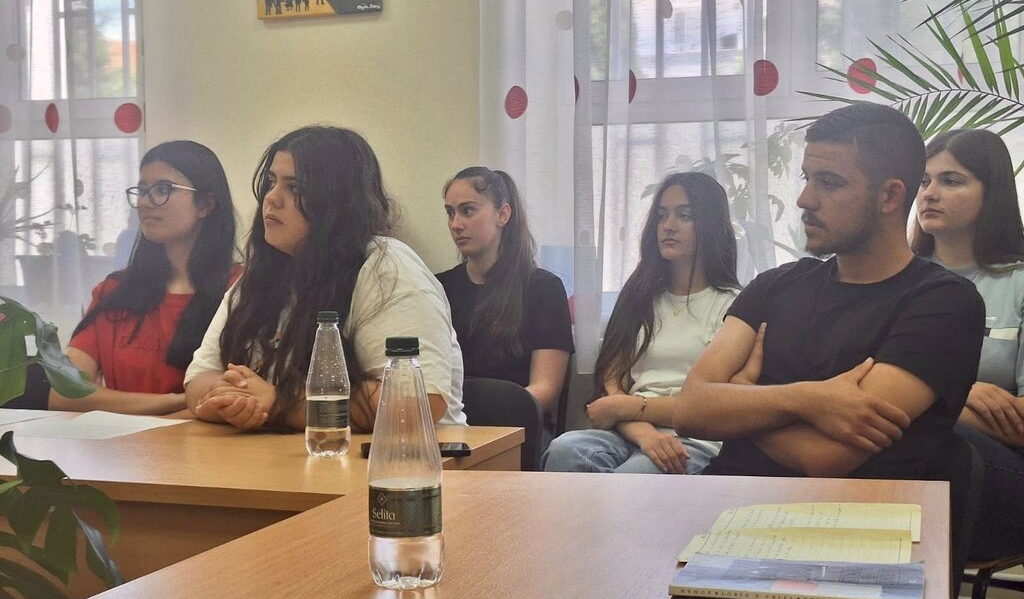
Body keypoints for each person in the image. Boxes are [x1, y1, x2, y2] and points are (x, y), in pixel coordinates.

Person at [677, 103, 985, 480]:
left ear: (889, 197)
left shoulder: (944, 303)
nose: (804, 199)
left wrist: (741, 394)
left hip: (846, 512)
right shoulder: (775, 285)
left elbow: (824, 458)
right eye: (806, 178)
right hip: (724, 496)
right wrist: (807, 399)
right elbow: (689, 410)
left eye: (829, 182)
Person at [185, 125, 465, 432]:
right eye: (271, 182)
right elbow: (199, 378)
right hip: (284, 456)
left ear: (337, 202)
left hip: (401, 458)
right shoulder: (262, 274)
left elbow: (415, 403)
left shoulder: (387, 267)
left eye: (294, 187)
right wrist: (234, 401)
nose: (271, 199)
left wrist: (280, 404)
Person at [543, 172, 738, 474]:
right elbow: (611, 388)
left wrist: (632, 411)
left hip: (694, 439)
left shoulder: (732, 305)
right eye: (661, 215)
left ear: (711, 225)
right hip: (630, 431)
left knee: (632, 478)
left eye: (684, 215)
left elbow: (715, 405)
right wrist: (646, 435)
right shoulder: (639, 296)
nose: (668, 226)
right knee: (564, 449)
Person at [51, 140, 237, 416]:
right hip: (122, 442)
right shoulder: (114, 291)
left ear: (205, 205)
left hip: (206, 443)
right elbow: (64, 392)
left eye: (163, 189)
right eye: (142, 191)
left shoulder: (241, 290)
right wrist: (178, 401)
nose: (144, 202)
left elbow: (237, 402)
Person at [912, 128, 1024, 559]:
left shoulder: (1018, 283)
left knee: (933, 437)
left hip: (1003, 472)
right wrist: (958, 393)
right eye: (924, 181)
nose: (929, 193)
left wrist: (932, 403)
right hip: (912, 457)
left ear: (991, 193)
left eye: (951, 180)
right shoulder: (897, 280)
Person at [437, 167, 573, 423]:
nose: (456, 224)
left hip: (516, 427)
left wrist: (485, 417)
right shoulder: (439, 288)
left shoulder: (544, 289)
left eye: (468, 211)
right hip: (451, 424)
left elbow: (545, 391)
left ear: (503, 214)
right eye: (450, 213)